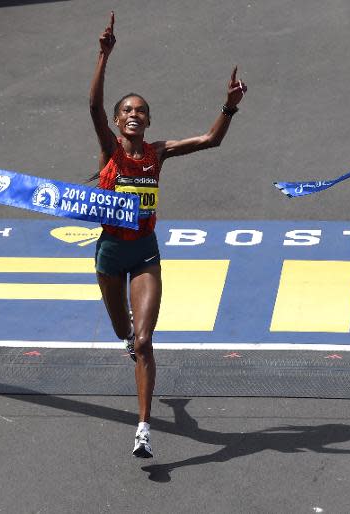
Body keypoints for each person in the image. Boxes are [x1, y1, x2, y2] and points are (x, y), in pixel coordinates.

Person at [89, 11, 246, 458]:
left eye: (140, 111)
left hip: (144, 255)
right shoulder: (111, 151)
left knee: (144, 340)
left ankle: (142, 428)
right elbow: (93, 106)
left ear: (149, 120)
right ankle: (128, 341)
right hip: (110, 256)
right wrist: (104, 54)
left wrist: (229, 105)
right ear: (119, 121)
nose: (133, 115)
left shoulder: (158, 153)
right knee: (123, 331)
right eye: (127, 111)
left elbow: (211, 140)